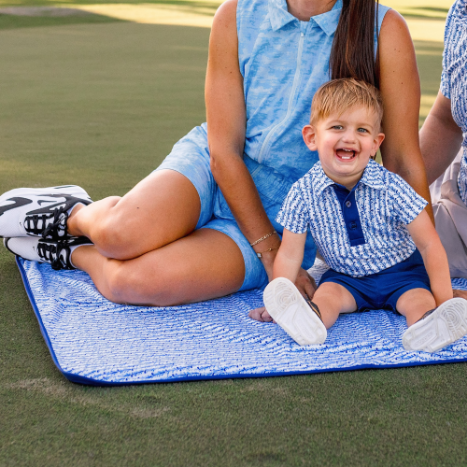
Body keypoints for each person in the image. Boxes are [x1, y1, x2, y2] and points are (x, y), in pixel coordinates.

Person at [0, 0, 430, 309]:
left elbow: (402, 163)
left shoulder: (383, 29)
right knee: (119, 235)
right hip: (213, 168)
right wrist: (270, 258)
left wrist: (421, 268)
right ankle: (72, 212)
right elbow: (223, 150)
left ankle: (70, 251)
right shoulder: (237, 14)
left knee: (136, 282)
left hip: (289, 215)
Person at [262, 78, 467, 353]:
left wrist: (444, 300)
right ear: (312, 137)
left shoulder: (391, 187)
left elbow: (429, 244)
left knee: (420, 300)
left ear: (374, 143)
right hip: (346, 277)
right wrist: (279, 298)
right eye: (337, 127)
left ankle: (431, 325)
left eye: (362, 130)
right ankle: (307, 321)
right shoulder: (303, 193)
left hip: (402, 273)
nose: (349, 137)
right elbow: (289, 254)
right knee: (328, 296)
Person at [419, 0, 467, 295]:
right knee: (346, 240)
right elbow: (446, 121)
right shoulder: (462, 12)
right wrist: (379, 197)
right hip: (461, 208)